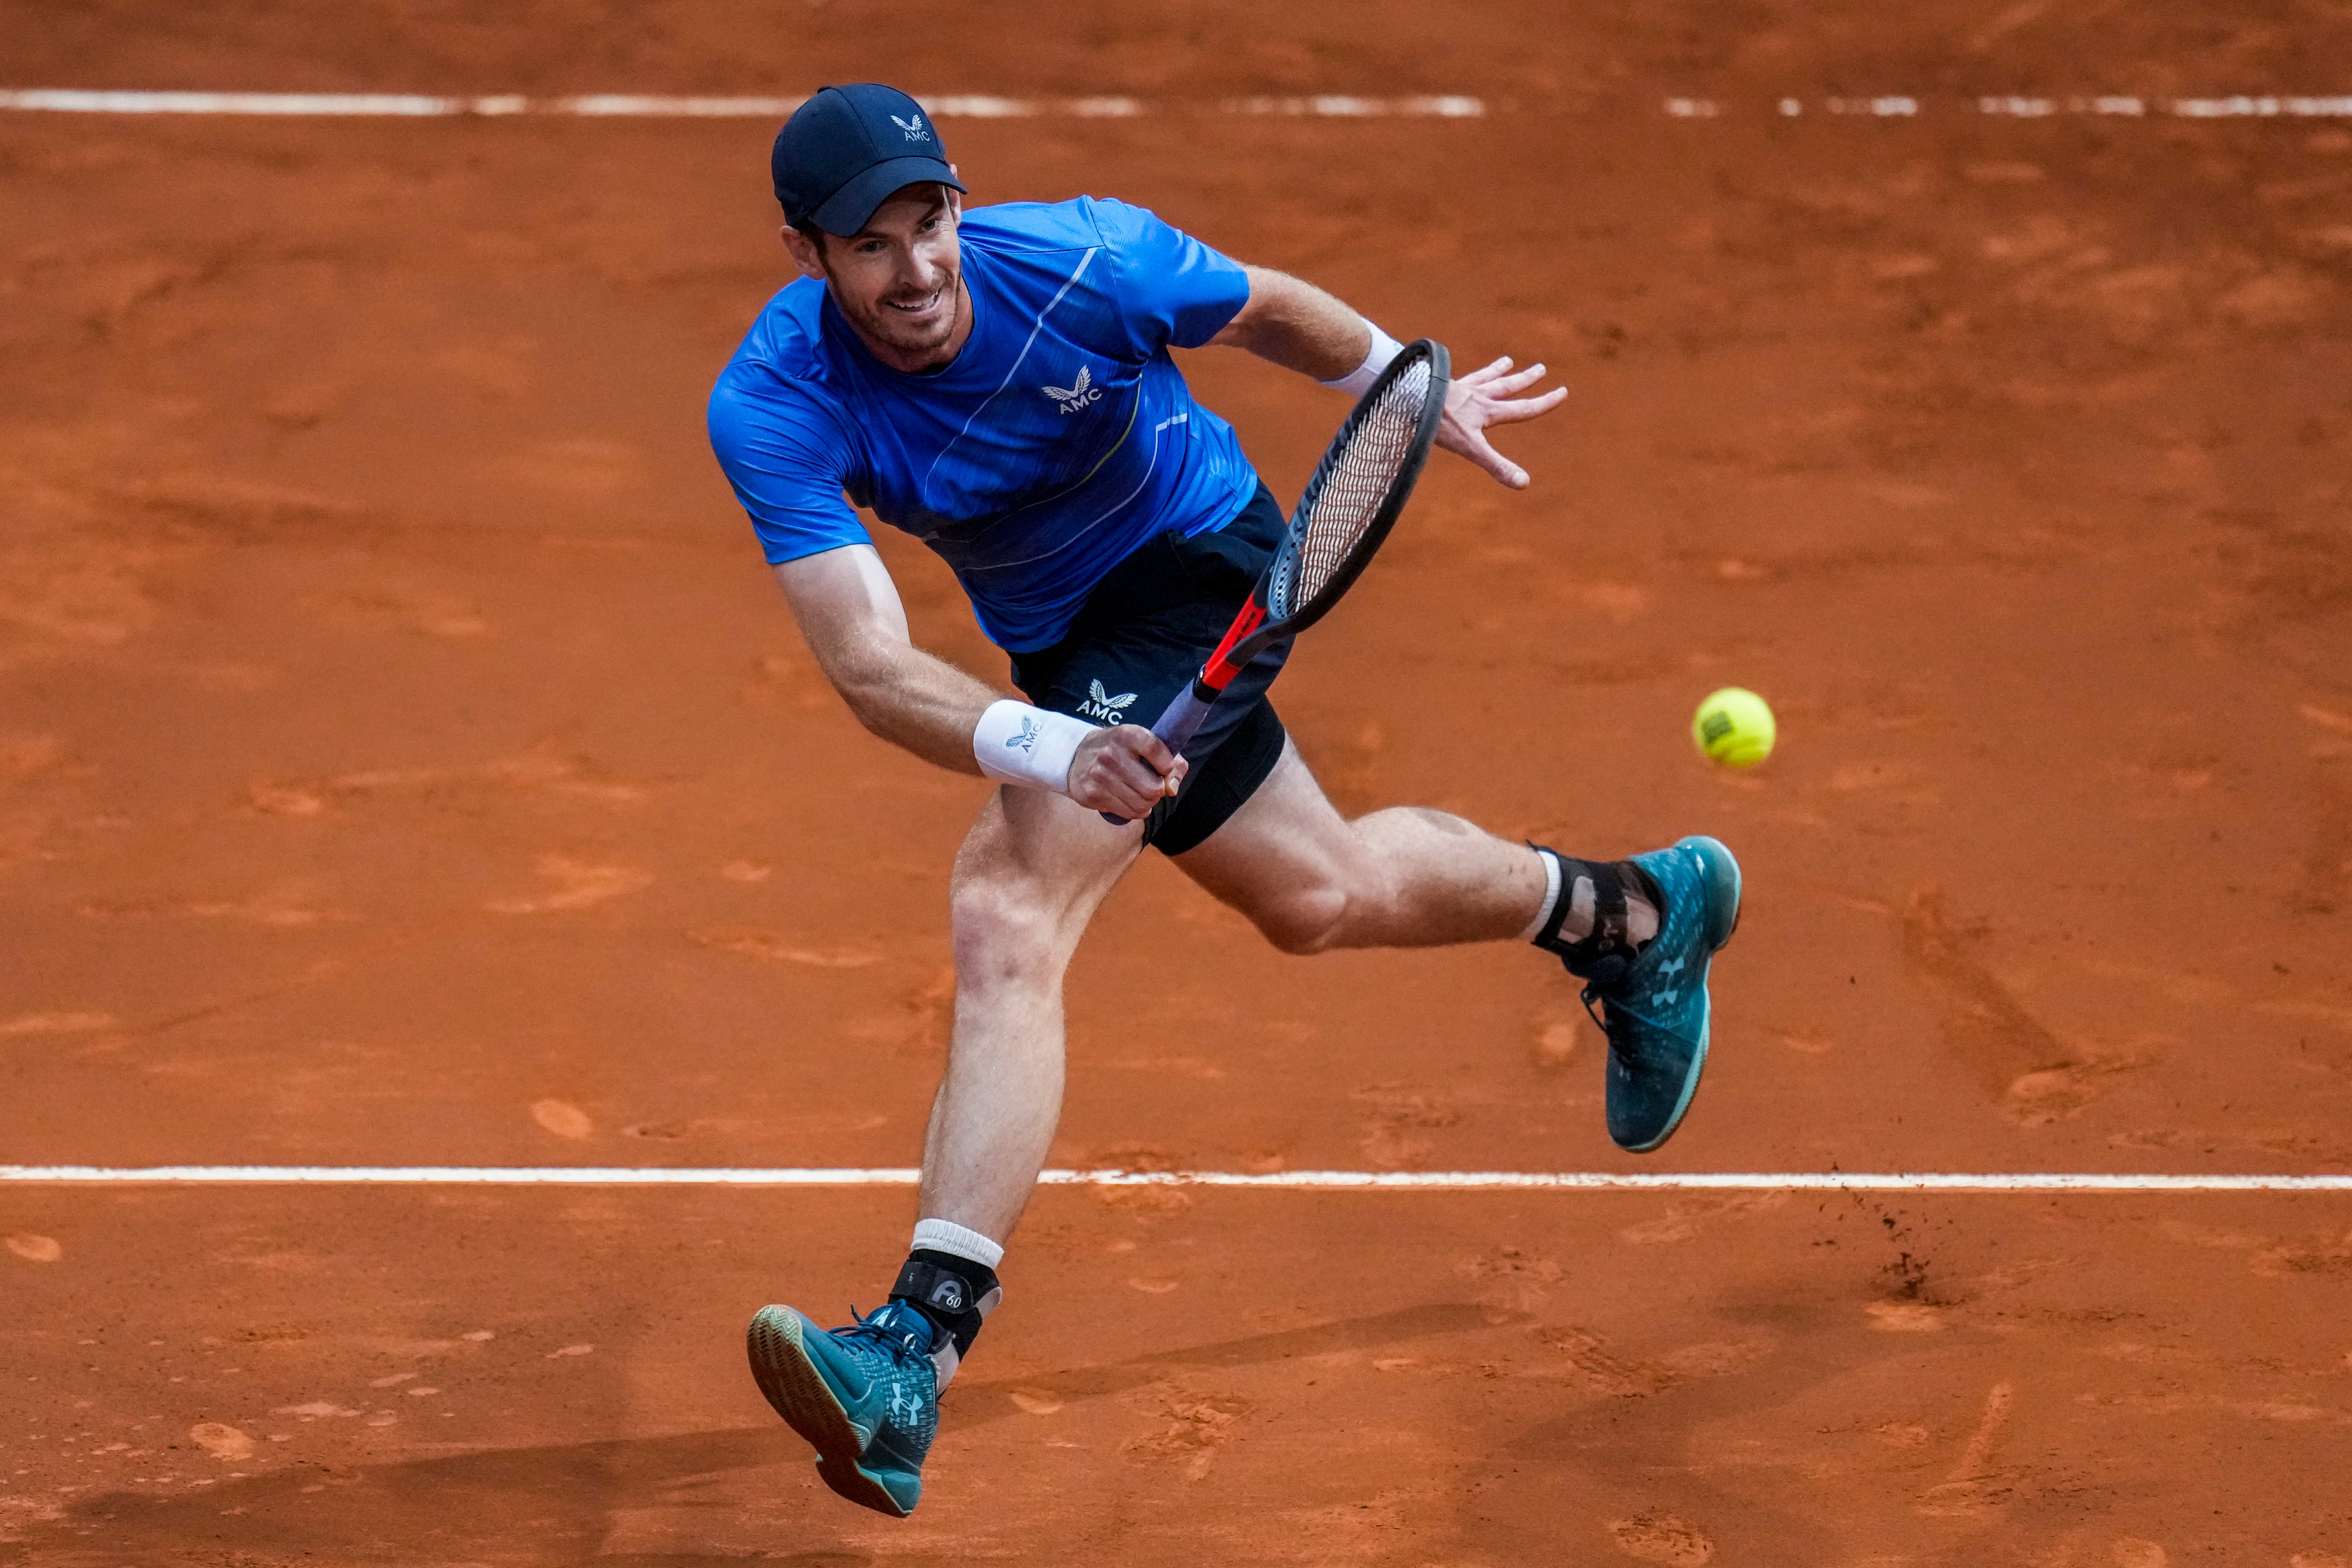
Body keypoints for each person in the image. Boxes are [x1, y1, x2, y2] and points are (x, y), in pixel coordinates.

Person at [707, 83, 1741, 1518]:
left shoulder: (1084, 257)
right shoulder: (772, 400)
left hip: (1199, 560)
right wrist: (1052, 742)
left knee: (1010, 906)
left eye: (928, 222)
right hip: (1061, 643)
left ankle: (910, 1352)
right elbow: (871, 668)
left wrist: (1405, 390)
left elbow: (1266, 309)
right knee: (1318, 897)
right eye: (867, 246)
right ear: (803, 256)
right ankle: (1629, 915)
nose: (915, 269)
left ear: (961, 204)